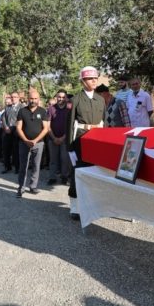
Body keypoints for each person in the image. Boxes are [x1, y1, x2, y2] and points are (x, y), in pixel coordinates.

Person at [67, 66, 106, 220]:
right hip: (80, 141)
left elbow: (105, 124)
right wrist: (69, 147)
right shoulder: (75, 100)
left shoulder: (101, 100)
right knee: (77, 172)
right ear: (83, 81)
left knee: (95, 172)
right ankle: (75, 207)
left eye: (95, 78)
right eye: (90, 78)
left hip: (96, 141)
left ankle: (91, 204)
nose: (94, 80)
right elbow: (69, 125)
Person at [15, 90, 49, 197]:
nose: (33, 101)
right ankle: (21, 187)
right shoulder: (22, 111)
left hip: (38, 143)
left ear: (38, 99)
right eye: (31, 98)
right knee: (23, 166)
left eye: (35, 99)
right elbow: (18, 128)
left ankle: (33, 186)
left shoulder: (43, 111)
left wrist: (35, 140)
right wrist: (25, 140)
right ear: (27, 99)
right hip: (24, 143)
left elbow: (46, 128)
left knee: (36, 165)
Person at [46, 89, 71, 186]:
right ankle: (52, 177)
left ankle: (64, 177)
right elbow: (48, 125)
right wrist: (54, 138)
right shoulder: (51, 109)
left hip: (65, 139)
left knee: (65, 159)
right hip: (52, 139)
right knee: (53, 159)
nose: (61, 99)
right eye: (59, 97)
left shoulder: (69, 109)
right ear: (56, 97)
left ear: (66, 98)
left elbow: (70, 126)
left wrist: (62, 138)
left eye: (63, 97)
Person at [1, 92, 22, 174]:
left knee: (16, 151)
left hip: (16, 132)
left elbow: (22, 119)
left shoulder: (22, 107)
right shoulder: (7, 107)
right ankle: (7, 167)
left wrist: (15, 128)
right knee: (6, 150)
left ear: (18, 97)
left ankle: (17, 168)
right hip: (7, 131)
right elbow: (3, 118)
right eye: (12, 97)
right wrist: (6, 127)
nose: (13, 98)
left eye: (15, 97)